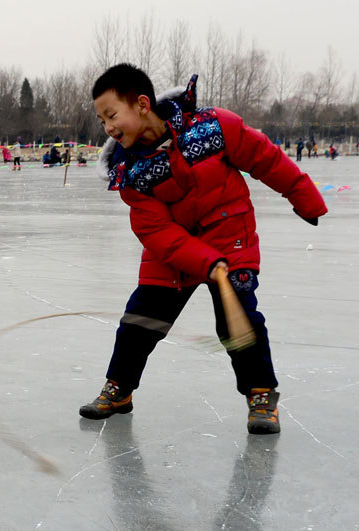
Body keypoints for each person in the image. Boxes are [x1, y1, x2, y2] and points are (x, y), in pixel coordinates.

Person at [81, 63, 327, 435]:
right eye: (102, 121)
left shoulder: (213, 127)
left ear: (142, 104)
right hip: (174, 253)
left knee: (237, 320)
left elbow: (265, 158)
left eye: (112, 115)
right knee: (139, 322)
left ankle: (261, 394)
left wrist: (303, 196)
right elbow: (158, 233)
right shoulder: (129, 173)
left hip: (230, 234)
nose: (108, 128)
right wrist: (206, 262)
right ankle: (119, 391)